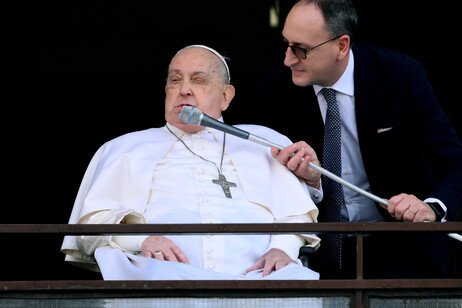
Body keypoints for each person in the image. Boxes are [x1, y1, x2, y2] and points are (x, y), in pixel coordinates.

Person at [60, 44, 321, 281]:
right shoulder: (124, 148)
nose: (184, 89)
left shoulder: (265, 142)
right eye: (175, 80)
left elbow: (296, 213)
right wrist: (141, 239)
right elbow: (89, 227)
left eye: (198, 80)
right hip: (159, 279)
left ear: (225, 97)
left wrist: (282, 249)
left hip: (262, 279)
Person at [259, 0, 462, 279]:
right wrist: (311, 182)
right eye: (286, 44)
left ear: (342, 46)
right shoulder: (275, 89)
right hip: (316, 251)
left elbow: (454, 160)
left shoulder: (400, 75)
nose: (288, 59)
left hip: (402, 243)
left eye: (301, 49)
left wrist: (432, 206)